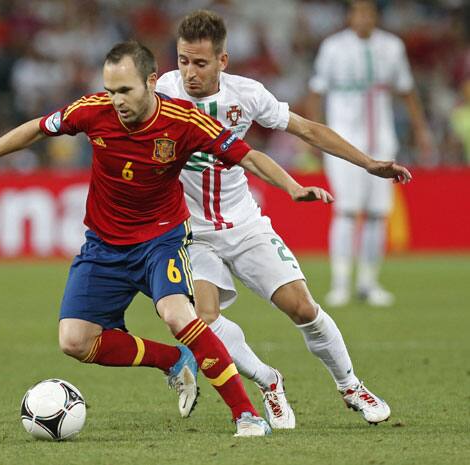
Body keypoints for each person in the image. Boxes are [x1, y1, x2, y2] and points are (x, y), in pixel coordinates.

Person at [0, 40, 335, 437]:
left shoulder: (185, 122)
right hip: (104, 246)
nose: (116, 101)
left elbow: (248, 155)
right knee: (75, 341)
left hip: (161, 240)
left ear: (151, 82)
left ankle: (246, 415)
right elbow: (36, 129)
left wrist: (293, 186)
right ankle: (173, 361)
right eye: (110, 90)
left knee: (178, 314)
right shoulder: (92, 111)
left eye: (125, 90)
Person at [156, 9, 411, 427]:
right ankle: (268, 380)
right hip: (193, 233)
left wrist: (368, 164)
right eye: (183, 60)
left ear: (223, 61)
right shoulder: (164, 91)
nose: (189, 72)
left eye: (200, 62)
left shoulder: (247, 95)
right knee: (203, 320)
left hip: (245, 222)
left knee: (302, 308)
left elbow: (308, 130)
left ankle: (350, 386)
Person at [307, 0, 432, 307]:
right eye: (357, 11)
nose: (363, 17)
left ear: (375, 15)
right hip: (344, 140)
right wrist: (314, 138)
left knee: (377, 212)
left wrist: (420, 129)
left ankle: (367, 282)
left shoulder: (392, 46)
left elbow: (406, 90)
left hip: (382, 140)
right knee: (347, 209)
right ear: (350, 15)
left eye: (368, 12)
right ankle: (340, 283)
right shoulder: (333, 47)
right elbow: (315, 92)